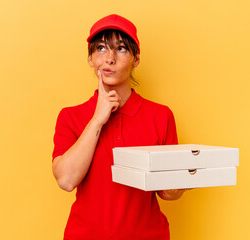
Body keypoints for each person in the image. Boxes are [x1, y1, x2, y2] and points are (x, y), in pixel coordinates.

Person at [52, 14, 187, 240]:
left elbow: (167, 193)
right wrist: (97, 119)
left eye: (122, 48)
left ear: (136, 59)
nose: (110, 58)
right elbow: (66, 180)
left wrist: (184, 180)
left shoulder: (161, 116)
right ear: (90, 59)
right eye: (102, 49)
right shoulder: (70, 116)